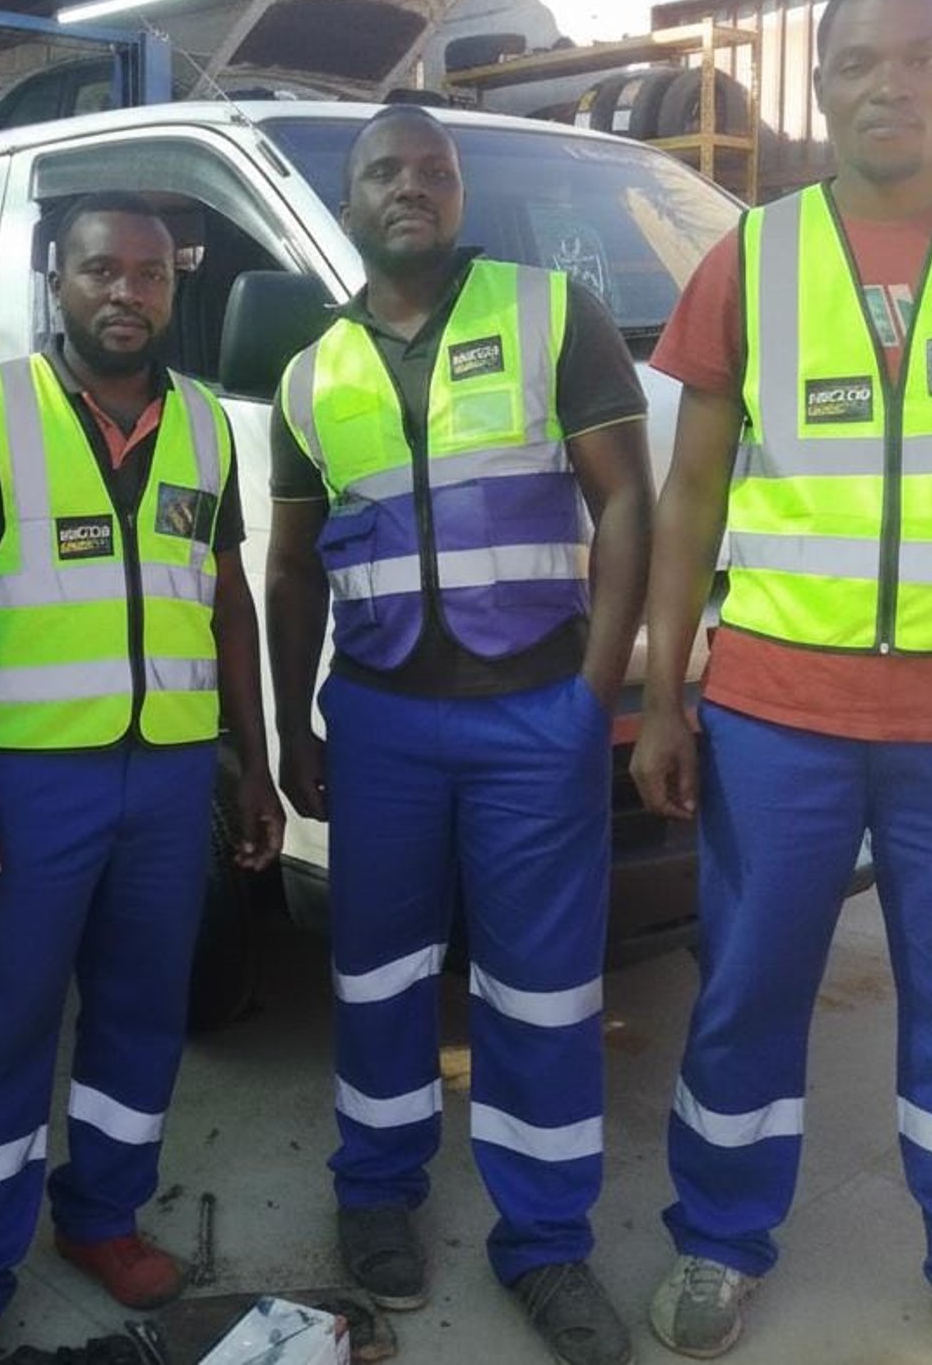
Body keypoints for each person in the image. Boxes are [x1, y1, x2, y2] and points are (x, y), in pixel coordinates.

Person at [634, 0, 932, 1363]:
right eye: (859, 59)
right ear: (823, 81)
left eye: (921, 57)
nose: (889, 83)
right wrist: (664, 688)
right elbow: (688, 492)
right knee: (746, 983)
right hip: (781, 712)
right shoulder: (755, 255)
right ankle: (719, 1239)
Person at [266, 105, 652, 1365]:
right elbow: (290, 571)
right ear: (351, 197)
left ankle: (545, 1241)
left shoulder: (549, 314)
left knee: (543, 993)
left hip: (534, 712)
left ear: (459, 190)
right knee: (376, 974)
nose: (412, 187)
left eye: (435, 169)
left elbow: (628, 501)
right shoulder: (308, 374)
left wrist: (594, 693)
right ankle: (375, 1187)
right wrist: (289, 723)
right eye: (387, 170)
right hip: (377, 722)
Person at [0, 191, 284, 1364]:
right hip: (33, 783)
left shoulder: (209, 425)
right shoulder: (1, 411)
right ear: (56, 284)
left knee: (139, 1009)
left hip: (169, 782)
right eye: (99, 271)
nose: (126, 291)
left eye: (150, 273)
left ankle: (103, 1216)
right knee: (2, 1022)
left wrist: (252, 762)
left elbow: (228, 604)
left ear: (175, 285)